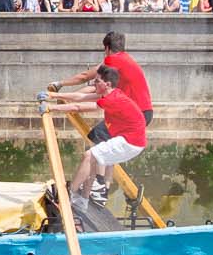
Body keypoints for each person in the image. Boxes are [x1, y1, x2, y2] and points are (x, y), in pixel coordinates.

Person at [46, 65, 146, 203]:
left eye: (97, 81)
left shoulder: (113, 99)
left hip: (130, 142)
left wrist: (50, 107)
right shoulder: (109, 93)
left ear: (107, 84)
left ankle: (69, 195)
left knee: (89, 155)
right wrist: (53, 95)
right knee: (92, 162)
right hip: (131, 141)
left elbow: (78, 107)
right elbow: (80, 97)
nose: (94, 83)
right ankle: (82, 202)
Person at [49, 31, 154, 141]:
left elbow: (84, 77)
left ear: (107, 48)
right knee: (100, 138)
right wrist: (66, 97)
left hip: (135, 113)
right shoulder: (125, 59)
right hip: (143, 112)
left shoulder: (113, 60)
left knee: (98, 136)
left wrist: (59, 84)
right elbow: (94, 88)